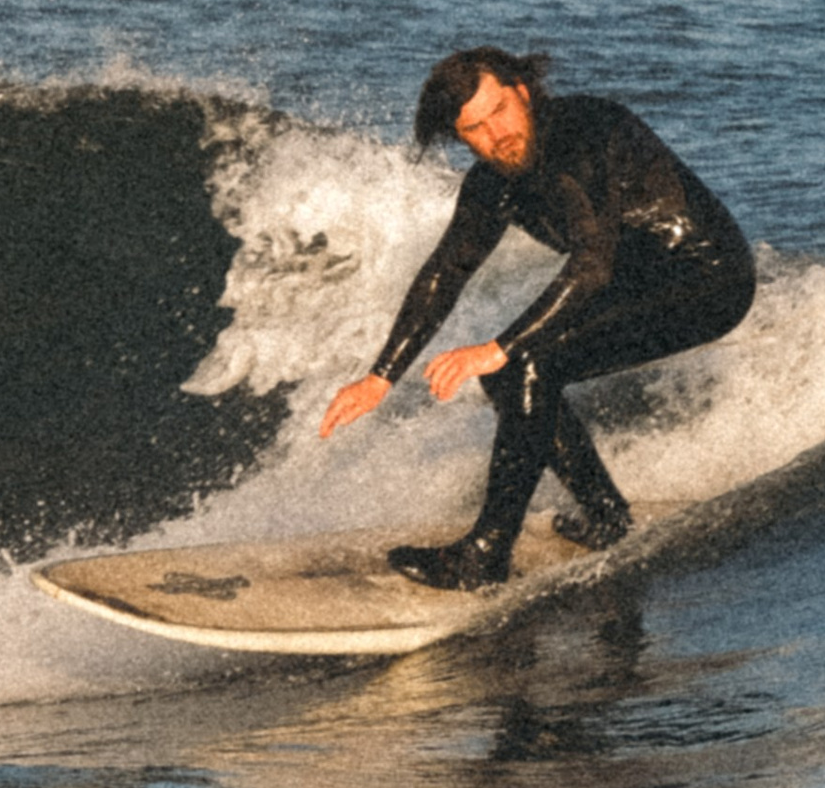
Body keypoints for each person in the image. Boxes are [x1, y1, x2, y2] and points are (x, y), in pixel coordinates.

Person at [318, 47, 755, 589]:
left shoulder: (585, 131)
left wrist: (499, 346)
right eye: (475, 128)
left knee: (521, 365)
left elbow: (593, 263)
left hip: (705, 278)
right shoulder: (492, 183)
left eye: (500, 110)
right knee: (510, 370)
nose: (496, 134)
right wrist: (380, 376)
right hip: (631, 281)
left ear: (523, 92)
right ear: (461, 138)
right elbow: (445, 272)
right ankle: (609, 518)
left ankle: (485, 556)